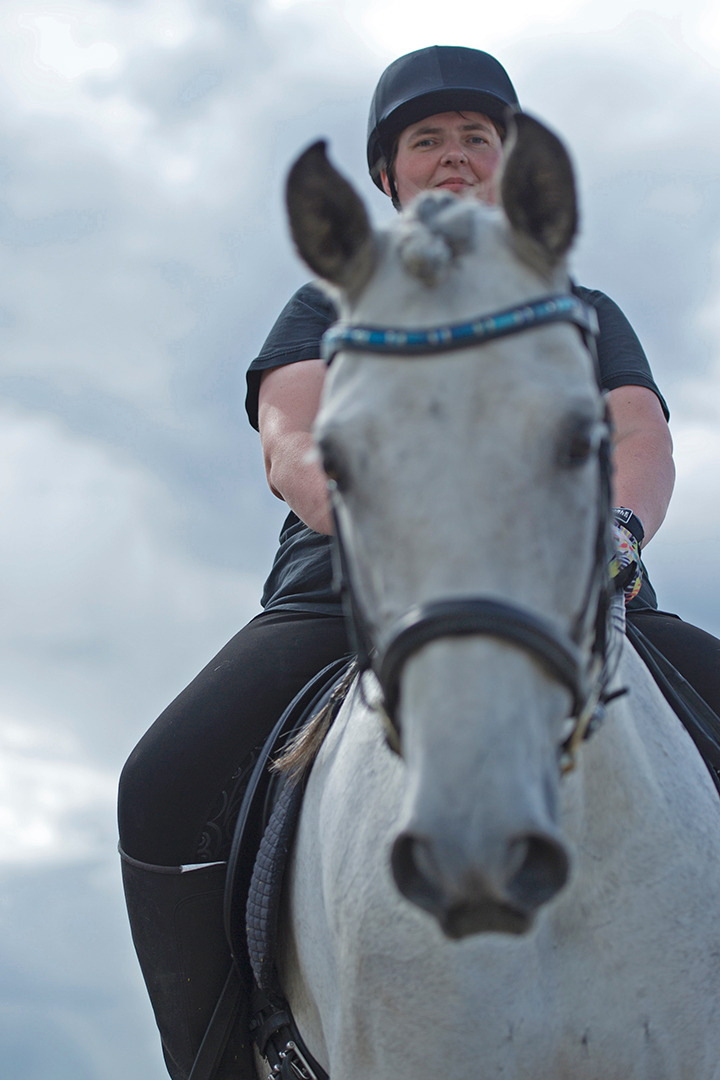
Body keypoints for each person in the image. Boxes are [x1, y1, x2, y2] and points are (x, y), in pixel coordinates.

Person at [118, 45, 720, 1080]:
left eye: (475, 139)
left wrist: (616, 538)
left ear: (509, 163)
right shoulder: (326, 308)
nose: (452, 158)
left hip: (582, 598)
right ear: (387, 176)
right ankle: (219, 1056)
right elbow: (292, 437)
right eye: (425, 141)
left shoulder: (584, 310)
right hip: (344, 602)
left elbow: (639, 439)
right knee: (163, 784)